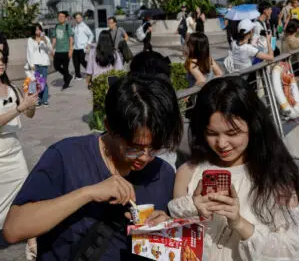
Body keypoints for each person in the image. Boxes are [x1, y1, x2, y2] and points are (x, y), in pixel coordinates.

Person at [3, 74, 183, 260]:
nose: (145, 158)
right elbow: (13, 229)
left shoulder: (163, 174)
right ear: (109, 127)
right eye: (134, 148)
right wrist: (87, 194)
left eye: (154, 148)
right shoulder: (66, 156)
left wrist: (168, 230)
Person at [168, 77, 299, 261]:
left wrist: (239, 223)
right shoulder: (187, 173)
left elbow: (293, 252)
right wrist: (194, 214)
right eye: (211, 133)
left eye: (232, 133)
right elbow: (176, 249)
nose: (221, 143)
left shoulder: (275, 178)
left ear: (253, 126)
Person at [0, 53, 37, 258]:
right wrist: (19, 108)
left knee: (26, 196)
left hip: (15, 153)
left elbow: (28, 113)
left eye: (2, 58)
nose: (1, 63)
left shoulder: (12, 88)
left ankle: (32, 243)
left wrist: (30, 102)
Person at [26, 24, 53, 107]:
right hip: (35, 64)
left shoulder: (46, 39)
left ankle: (44, 99)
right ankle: (36, 100)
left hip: (44, 63)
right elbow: (29, 52)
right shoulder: (30, 40)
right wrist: (31, 64)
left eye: (39, 29)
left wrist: (45, 40)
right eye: (36, 29)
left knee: (43, 82)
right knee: (34, 82)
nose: (38, 31)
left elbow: (50, 50)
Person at [51, 11, 74, 90]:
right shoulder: (56, 26)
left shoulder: (68, 26)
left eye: (62, 16)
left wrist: (71, 50)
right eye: (59, 16)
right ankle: (68, 76)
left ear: (66, 18)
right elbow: (54, 38)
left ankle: (66, 83)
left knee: (65, 67)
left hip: (66, 51)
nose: (60, 18)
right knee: (56, 66)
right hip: (58, 51)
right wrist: (52, 48)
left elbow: (71, 39)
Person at [72, 13, 94, 80]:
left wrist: (88, 44)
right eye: (76, 18)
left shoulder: (84, 26)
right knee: (75, 62)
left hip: (82, 47)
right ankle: (78, 76)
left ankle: (91, 71)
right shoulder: (74, 27)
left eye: (79, 17)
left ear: (81, 18)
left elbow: (91, 35)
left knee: (83, 61)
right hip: (75, 47)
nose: (77, 19)